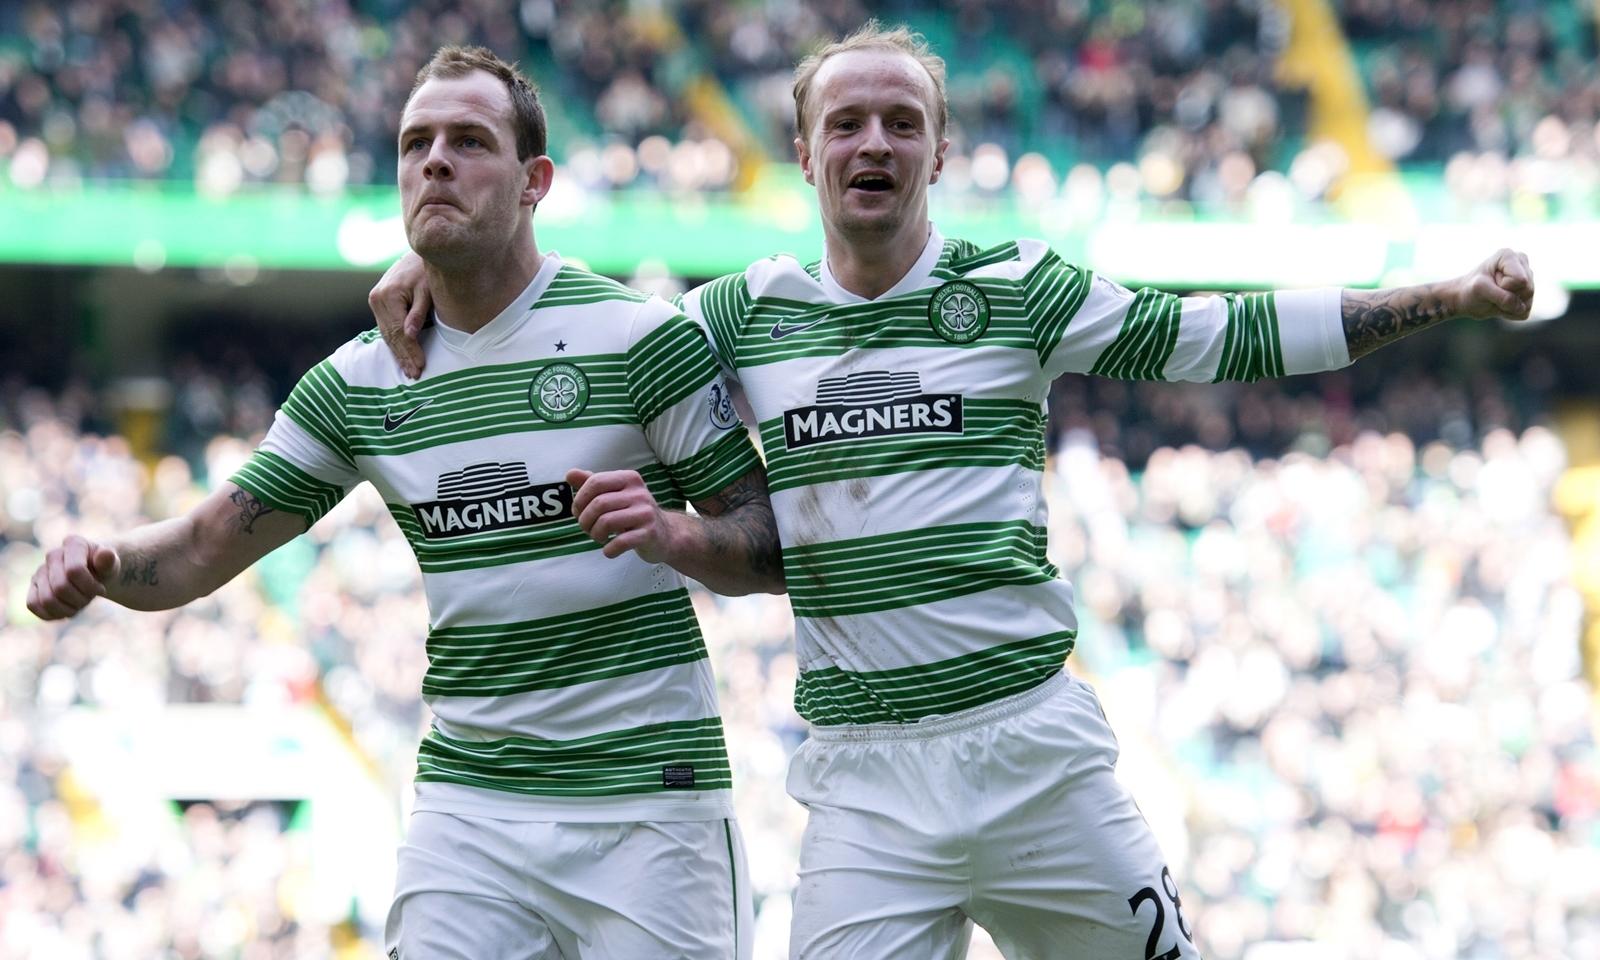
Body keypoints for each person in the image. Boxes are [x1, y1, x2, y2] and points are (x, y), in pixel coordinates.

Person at [369, 25, 1535, 960]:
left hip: (1036, 760)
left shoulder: (1018, 289)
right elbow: (579, 330)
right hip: (867, 788)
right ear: (808, 152)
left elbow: (1215, 335)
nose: (872, 139)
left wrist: (1442, 295)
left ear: (939, 152)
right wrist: (440, 264)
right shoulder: (734, 316)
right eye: (846, 122)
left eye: (901, 122)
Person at [29, 46, 783, 960]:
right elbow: (198, 549)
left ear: (534, 180)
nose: (435, 160)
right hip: (470, 813)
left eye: (470, 141)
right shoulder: (359, 382)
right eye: (415, 142)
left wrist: (673, 534)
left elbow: (770, 546)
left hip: (648, 807)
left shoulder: (638, 339)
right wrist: (103, 566)